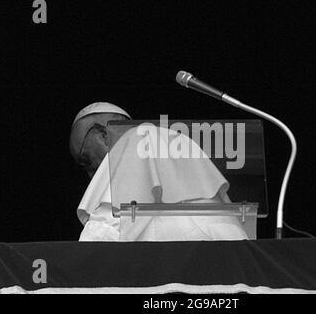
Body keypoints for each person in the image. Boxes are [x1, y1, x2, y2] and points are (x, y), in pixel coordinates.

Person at [70, 102, 248, 241]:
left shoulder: (135, 139)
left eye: (87, 161)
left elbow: (108, 226)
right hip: (230, 246)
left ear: (103, 135)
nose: (91, 174)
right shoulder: (176, 138)